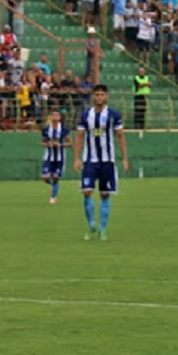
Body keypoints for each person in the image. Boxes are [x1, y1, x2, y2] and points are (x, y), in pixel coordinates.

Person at [73, 84, 130, 241]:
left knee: (105, 194)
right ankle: (91, 224)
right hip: (89, 160)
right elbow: (79, 137)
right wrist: (77, 157)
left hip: (107, 161)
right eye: (96, 94)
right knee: (86, 191)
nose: (99, 97)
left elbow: (120, 136)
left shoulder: (113, 115)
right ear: (93, 97)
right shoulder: (85, 116)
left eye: (102, 95)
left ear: (106, 97)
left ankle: (103, 229)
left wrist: (125, 158)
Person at [40, 109, 71, 204]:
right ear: (50, 117)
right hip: (49, 157)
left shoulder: (64, 129)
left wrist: (60, 145)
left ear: (60, 117)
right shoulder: (46, 130)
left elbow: (70, 143)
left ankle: (53, 197)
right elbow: (42, 142)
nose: (55, 117)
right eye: (53, 115)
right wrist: (48, 144)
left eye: (57, 115)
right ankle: (53, 185)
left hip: (60, 158)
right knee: (45, 177)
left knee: (56, 178)